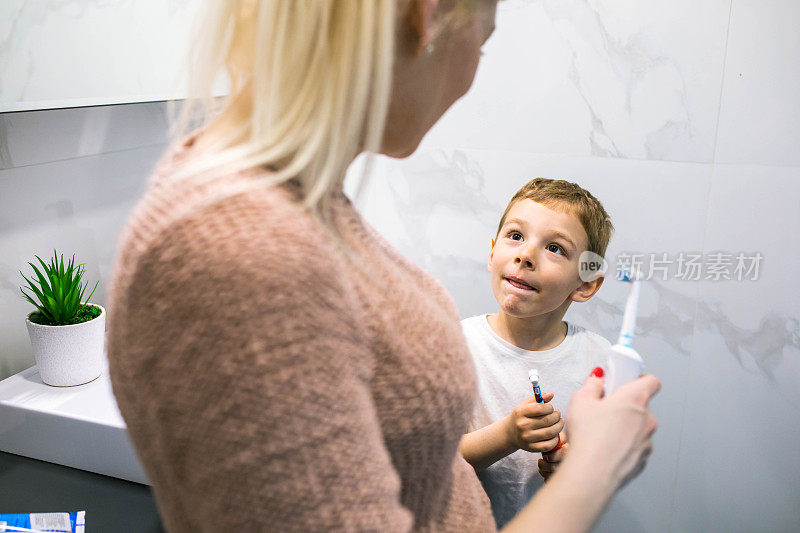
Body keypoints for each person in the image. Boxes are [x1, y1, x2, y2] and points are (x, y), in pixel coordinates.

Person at [106, 1, 660, 531]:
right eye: (482, 45)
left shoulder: (295, 204)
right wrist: (598, 466)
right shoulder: (240, 258)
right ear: (429, 14)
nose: (470, 79)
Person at [458, 178, 616, 528]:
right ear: (491, 253)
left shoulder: (600, 362)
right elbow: (426, 461)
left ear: (585, 283)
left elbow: (604, 469)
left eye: (555, 248)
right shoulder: (454, 345)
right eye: (515, 236)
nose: (525, 255)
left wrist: (571, 471)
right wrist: (507, 437)